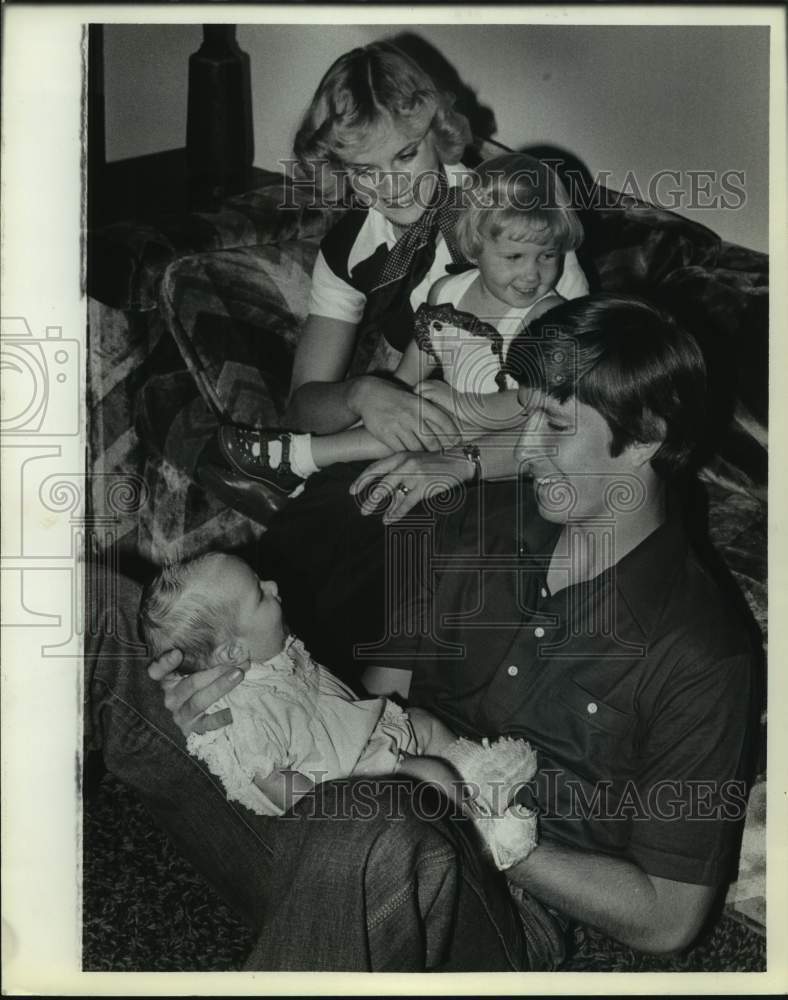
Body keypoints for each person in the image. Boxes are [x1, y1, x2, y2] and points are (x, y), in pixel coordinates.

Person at [127, 292, 756, 968]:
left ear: (645, 440)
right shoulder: (474, 518)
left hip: (486, 906)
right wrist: (233, 697)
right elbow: (378, 697)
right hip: (324, 813)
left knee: (380, 822)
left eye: (555, 426)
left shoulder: (705, 655)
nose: (525, 447)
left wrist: (487, 831)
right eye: (527, 415)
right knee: (106, 615)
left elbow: (668, 918)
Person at [137, 551, 539, 871]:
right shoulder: (243, 717)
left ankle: (486, 775)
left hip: (368, 736)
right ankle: (483, 838)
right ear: (231, 652)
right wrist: (342, 810)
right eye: (260, 594)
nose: (273, 584)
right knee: (430, 774)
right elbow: (279, 785)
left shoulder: (269, 651)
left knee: (425, 724)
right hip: (347, 784)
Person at [217, 153, 584, 496]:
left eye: (548, 255)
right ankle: (304, 471)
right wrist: (397, 401)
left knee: (426, 425)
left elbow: (533, 401)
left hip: (511, 442)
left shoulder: (547, 317)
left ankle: (300, 458)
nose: (532, 274)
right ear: (474, 247)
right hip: (449, 428)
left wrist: (462, 403)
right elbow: (412, 368)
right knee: (408, 421)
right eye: (514, 256)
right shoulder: (446, 291)